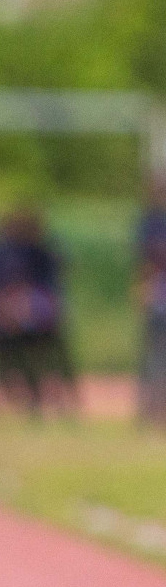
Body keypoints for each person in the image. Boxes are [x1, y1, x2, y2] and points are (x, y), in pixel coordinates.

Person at [0, 207, 77, 417]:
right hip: (8, 322)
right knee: (9, 359)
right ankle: (18, 399)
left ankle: (49, 399)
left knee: (46, 359)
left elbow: (47, 291)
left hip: (38, 321)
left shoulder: (40, 253)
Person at [136, 177, 166, 425]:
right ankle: (152, 409)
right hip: (159, 296)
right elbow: (145, 263)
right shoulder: (150, 223)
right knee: (154, 354)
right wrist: (143, 289)